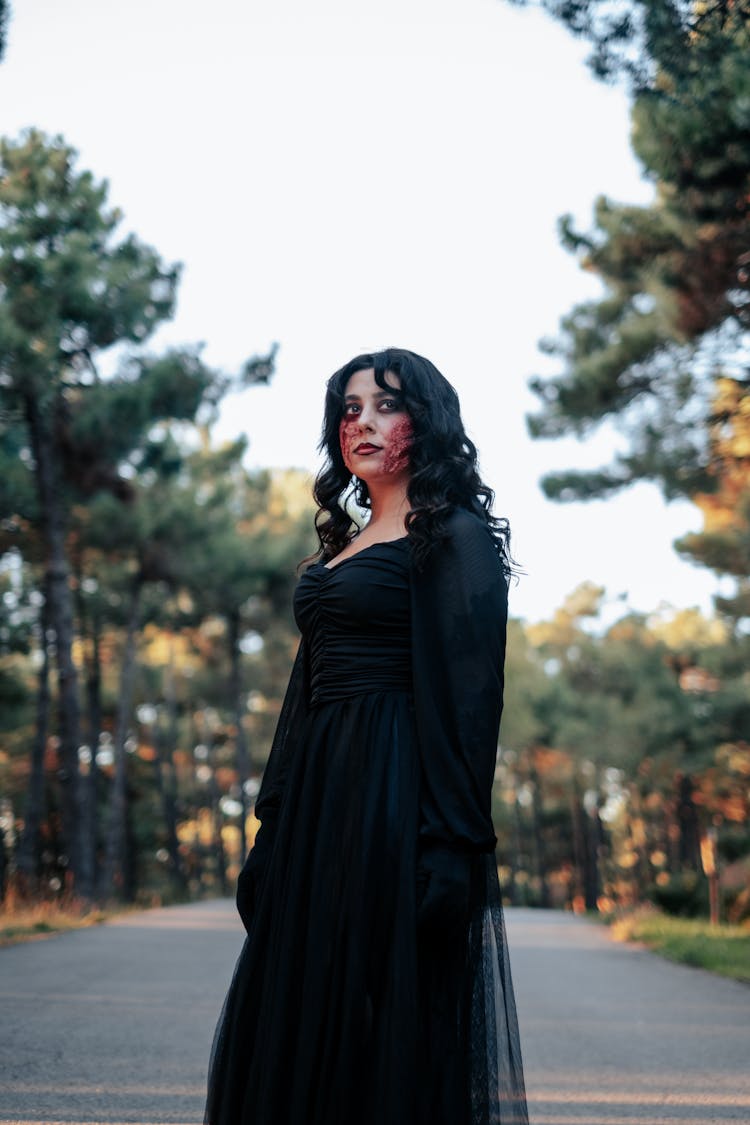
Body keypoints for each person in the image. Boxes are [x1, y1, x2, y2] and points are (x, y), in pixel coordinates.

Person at [204, 348, 528, 1125]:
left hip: (393, 795)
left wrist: (453, 842)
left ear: (428, 419)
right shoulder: (343, 541)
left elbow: (471, 695)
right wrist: (272, 826)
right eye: (351, 409)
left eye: (385, 405)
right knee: (303, 1006)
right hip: (320, 803)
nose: (363, 423)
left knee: (377, 1015)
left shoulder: (453, 535)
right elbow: (303, 693)